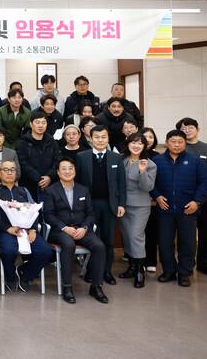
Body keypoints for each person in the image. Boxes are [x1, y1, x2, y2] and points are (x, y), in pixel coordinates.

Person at [43, 157, 108, 304]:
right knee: (68, 244)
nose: (67, 171)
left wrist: (84, 228)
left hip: (81, 229)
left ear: (75, 171)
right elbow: (48, 215)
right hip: (60, 230)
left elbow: (91, 214)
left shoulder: (83, 189)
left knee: (99, 246)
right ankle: (67, 287)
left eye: (70, 168)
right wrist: (65, 228)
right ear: (58, 172)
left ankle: (96, 286)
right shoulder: (51, 190)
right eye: (64, 169)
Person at [151, 130, 207, 287]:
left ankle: (184, 273)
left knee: (188, 243)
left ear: (185, 143)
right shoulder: (157, 161)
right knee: (165, 242)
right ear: (167, 143)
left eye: (180, 142)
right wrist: (157, 196)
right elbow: (150, 182)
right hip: (165, 209)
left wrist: (196, 201)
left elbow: (204, 182)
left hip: (187, 210)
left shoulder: (195, 161)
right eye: (173, 141)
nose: (176, 145)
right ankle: (169, 271)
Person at [0, 161, 52, 292]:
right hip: (6, 231)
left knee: (46, 251)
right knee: (8, 250)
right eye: (6, 170)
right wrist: (7, 228)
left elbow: (34, 210)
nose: (9, 173)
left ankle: (25, 273)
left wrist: (33, 229)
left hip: (27, 230)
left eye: (12, 170)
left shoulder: (24, 191)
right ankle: (10, 277)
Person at [75, 124, 127, 285]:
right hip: (89, 206)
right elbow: (77, 183)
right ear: (90, 139)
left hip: (109, 205)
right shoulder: (81, 157)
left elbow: (121, 183)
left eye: (103, 137)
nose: (100, 140)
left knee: (108, 240)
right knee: (92, 239)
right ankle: (91, 271)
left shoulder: (116, 158)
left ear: (108, 138)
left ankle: (107, 271)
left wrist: (121, 204)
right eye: (96, 137)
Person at [176, 117, 207, 277]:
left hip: (206, 200)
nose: (187, 130)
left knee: (206, 234)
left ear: (197, 129)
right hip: (185, 201)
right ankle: (187, 264)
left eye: (190, 127)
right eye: (183, 128)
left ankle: (204, 264)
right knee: (186, 236)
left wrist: (200, 191)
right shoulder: (178, 149)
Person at [118, 133, 157, 288]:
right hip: (122, 205)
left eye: (140, 143)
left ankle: (140, 270)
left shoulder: (149, 164)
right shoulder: (121, 160)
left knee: (136, 236)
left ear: (144, 146)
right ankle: (132, 267)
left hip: (140, 205)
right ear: (128, 144)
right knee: (127, 236)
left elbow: (148, 187)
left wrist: (142, 171)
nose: (136, 146)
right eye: (133, 142)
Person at [16, 112, 60, 202]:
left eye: (43, 123)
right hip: (28, 184)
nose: (40, 125)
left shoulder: (52, 142)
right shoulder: (22, 143)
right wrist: (39, 179)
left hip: (50, 183)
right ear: (31, 124)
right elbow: (22, 163)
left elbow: (58, 159)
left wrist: (49, 176)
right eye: (37, 122)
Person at [141, 127, 161, 272]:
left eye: (151, 137)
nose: (148, 139)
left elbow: (159, 180)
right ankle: (138, 261)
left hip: (153, 201)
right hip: (137, 200)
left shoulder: (158, 157)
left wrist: (155, 196)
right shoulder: (134, 155)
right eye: (145, 136)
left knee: (151, 231)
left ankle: (151, 261)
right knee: (137, 233)